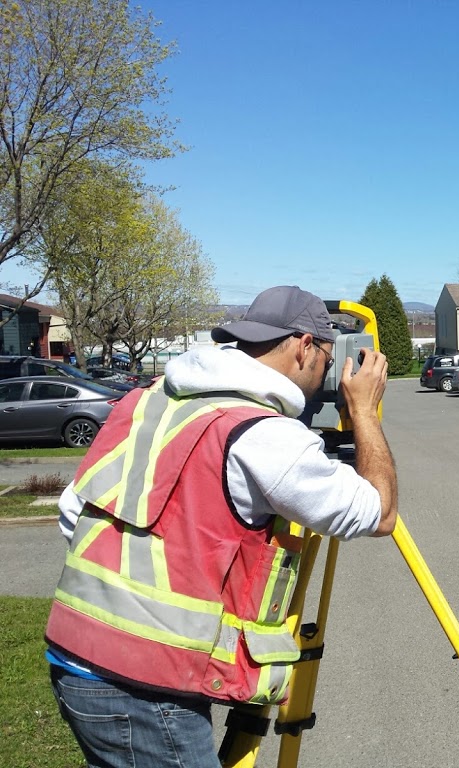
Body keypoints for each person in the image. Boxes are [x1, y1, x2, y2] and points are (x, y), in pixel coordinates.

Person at [45, 285, 398, 768]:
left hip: (75, 660)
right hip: (145, 691)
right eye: (326, 352)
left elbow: (73, 513)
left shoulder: (147, 402)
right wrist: (363, 411)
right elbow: (379, 513)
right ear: (303, 346)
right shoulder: (266, 436)